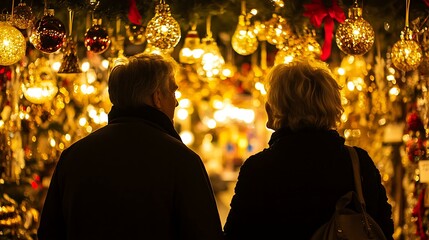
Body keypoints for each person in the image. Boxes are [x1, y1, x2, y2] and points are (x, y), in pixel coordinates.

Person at [37, 53, 224, 240]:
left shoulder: (74, 156)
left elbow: (50, 232)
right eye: (173, 92)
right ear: (157, 97)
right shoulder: (182, 161)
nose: (176, 102)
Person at [223, 60, 394, 239]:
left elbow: (236, 234)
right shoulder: (357, 162)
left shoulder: (259, 169)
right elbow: (382, 229)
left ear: (276, 109)